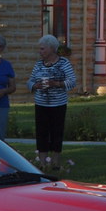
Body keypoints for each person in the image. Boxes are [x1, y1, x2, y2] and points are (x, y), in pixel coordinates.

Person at [26, 34, 76, 168]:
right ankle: (42, 162)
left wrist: (56, 83)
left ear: (52, 49)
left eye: (43, 49)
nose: (40, 52)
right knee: (41, 132)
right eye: (40, 49)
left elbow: (72, 82)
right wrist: (35, 86)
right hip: (41, 103)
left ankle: (55, 162)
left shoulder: (63, 63)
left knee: (56, 132)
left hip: (58, 104)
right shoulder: (38, 65)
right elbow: (30, 81)